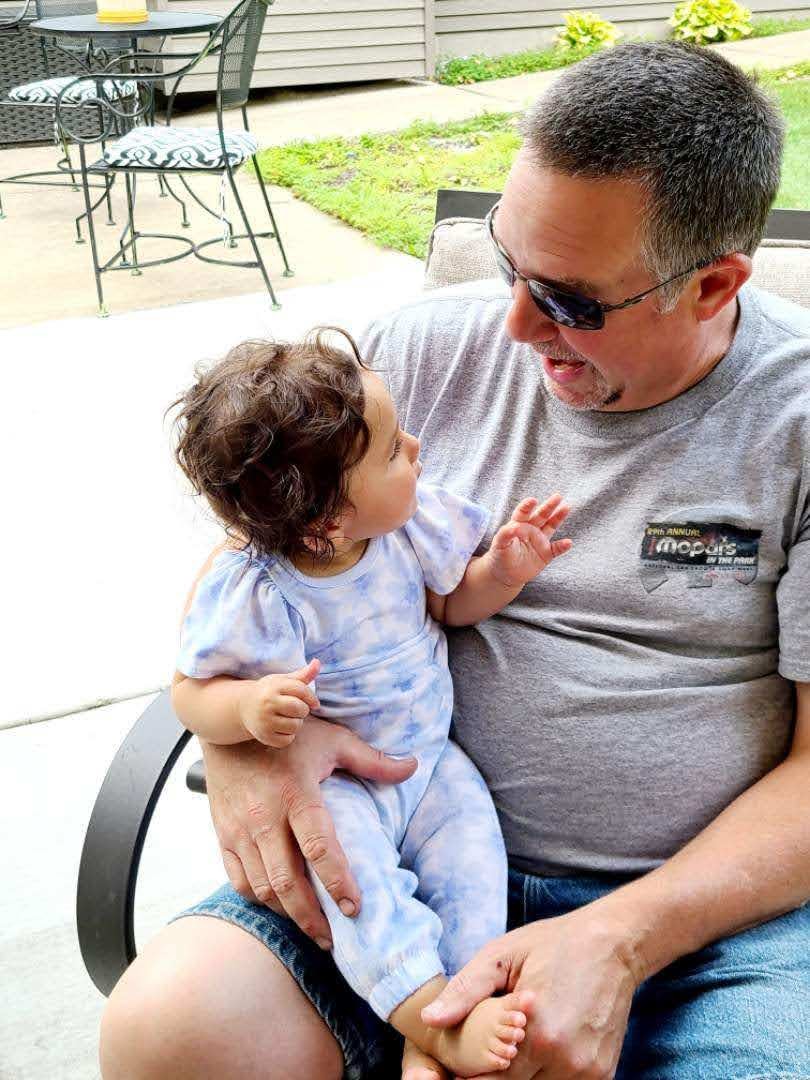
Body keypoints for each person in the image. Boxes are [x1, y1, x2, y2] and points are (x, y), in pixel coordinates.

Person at [99, 40, 810, 1080]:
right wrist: (248, 743)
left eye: (569, 302)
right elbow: (262, 562)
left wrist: (622, 938)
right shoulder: (414, 353)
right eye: (506, 263)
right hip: (394, 851)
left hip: (706, 926)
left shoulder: (797, 422)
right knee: (172, 1029)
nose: (513, 325)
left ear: (712, 286)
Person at [168, 330, 566, 1076]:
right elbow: (191, 693)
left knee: (473, 872)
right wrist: (248, 707)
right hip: (338, 785)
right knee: (360, 896)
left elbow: (450, 606)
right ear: (326, 524)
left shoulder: (405, 530)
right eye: (390, 453)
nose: (414, 446)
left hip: (431, 764)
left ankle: (442, 1023)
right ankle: (430, 1019)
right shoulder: (262, 590)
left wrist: (504, 572)